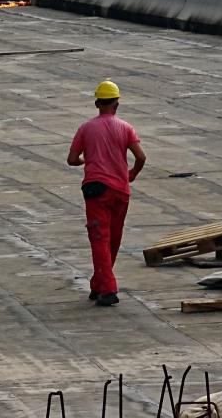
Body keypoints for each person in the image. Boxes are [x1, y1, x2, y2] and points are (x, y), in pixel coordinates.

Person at [66, 80, 147, 307]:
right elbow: (141, 157)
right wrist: (132, 174)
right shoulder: (126, 127)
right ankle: (99, 283)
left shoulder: (85, 128)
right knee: (113, 238)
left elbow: (72, 159)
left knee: (99, 239)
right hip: (121, 191)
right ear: (117, 104)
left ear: (96, 104)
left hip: (96, 190)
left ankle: (108, 289)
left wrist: (86, 160)